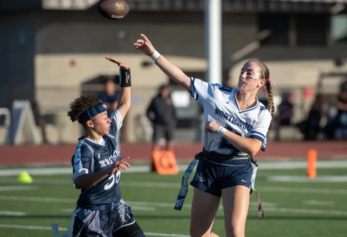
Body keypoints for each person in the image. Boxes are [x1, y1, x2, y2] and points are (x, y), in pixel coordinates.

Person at [134, 34, 274, 237]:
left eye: (249, 74)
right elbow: (181, 78)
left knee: (235, 232)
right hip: (208, 165)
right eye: (242, 71)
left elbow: (253, 148)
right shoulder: (217, 93)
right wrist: (153, 54)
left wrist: (220, 129)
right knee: (199, 235)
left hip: (237, 168)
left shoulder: (262, 113)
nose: (243, 76)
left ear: (261, 83)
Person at [52, 58, 146, 237]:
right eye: (103, 116)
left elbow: (125, 104)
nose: (109, 118)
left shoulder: (111, 132)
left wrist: (125, 73)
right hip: (93, 216)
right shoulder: (84, 149)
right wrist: (108, 170)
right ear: (90, 123)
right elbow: (78, 181)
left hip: (118, 210)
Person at [146, 83, 176, 151]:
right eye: (164, 90)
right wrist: (153, 121)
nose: (165, 92)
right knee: (156, 142)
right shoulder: (155, 100)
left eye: (167, 90)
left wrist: (173, 121)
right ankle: (155, 160)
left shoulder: (170, 99)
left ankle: (168, 159)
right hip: (158, 124)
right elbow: (148, 112)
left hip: (169, 124)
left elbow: (174, 111)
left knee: (170, 142)